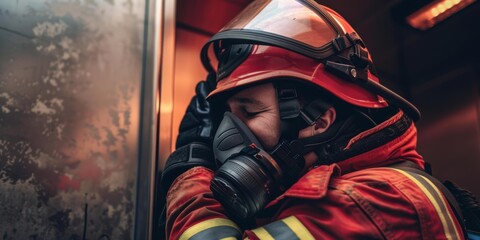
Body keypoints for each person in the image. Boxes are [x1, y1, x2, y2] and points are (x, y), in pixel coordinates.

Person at [160, 1, 468, 239]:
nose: (225, 133)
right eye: (227, 115)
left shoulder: (381, 200)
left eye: (250, 112)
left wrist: (191, 169)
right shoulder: (307, 184)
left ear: (319, 120)